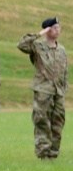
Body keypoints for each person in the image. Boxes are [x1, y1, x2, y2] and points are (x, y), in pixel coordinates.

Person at [18, 18, 68, 159]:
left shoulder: (61, 49)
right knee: (42, 121)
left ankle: (53, 154)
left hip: (58, 92)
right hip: (43, 91)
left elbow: (64, 71)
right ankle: (43, 154)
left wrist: (64, 89)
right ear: (47, 30)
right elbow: (21, 45)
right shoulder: (38, 46)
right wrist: (39, 33)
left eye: (59, 28)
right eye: (54, 28)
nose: (57, 30)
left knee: (58, 122)